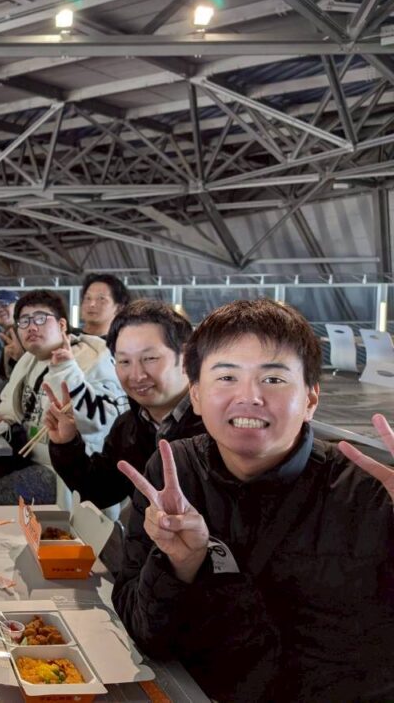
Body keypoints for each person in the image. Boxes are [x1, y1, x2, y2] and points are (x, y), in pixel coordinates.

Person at [112, 300, 394, 701]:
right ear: (196, 395)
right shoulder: (176, 474)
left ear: (311, 399)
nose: (249, 396)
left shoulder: (370, 490)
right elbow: (144, 635)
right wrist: (178, 565)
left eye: (273, 379)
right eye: (227, 376)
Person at [0, 289, 126, 505]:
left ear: (62, 325)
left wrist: (67, 369)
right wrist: (2, 420)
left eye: (41, 318)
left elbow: (103, 422)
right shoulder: (29, 360)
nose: (32, 327)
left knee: (3, 492)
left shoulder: (94, 357)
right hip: (28, 455)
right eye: (24, 321)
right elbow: (11, 405)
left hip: (69, 469)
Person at [44, 300, 205, 509]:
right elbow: (99, 491)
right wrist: (66, 444)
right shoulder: (128, 427)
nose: (136, 375)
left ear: (185, 358)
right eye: (124, 361)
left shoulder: (218, 425)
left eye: (150, 358)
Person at [0, 289, 23, 381]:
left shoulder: (25, 332)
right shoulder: (9, 334)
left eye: (5, 304)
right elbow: (6, 377)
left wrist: (19, 358)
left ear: (18, 307)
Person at [79, 273, 129, 338]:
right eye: (88, 298)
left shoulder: (122, 342)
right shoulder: (70, 338)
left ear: (119, 308)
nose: (92, 304)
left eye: (101, 298)